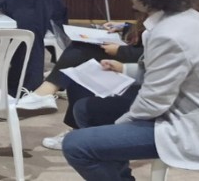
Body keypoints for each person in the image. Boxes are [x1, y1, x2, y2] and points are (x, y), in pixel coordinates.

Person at [62, 0, 199, 180]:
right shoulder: (187, 17)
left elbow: (154, 102)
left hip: (191, 124)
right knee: (86, 110)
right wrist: (124, 70)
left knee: (76, 145)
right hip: (178, 106)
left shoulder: (170, 34)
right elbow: (165, 75)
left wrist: (120, 126)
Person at [25, 20, 145, 150]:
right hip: (136, 59)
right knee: (80, 51)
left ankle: (45, 93)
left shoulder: (165, 23)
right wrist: (126, 27)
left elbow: (155, 56)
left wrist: (121, 51)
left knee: (81, 52)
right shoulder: (156, 14)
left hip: (144, 70)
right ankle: (49, 96)